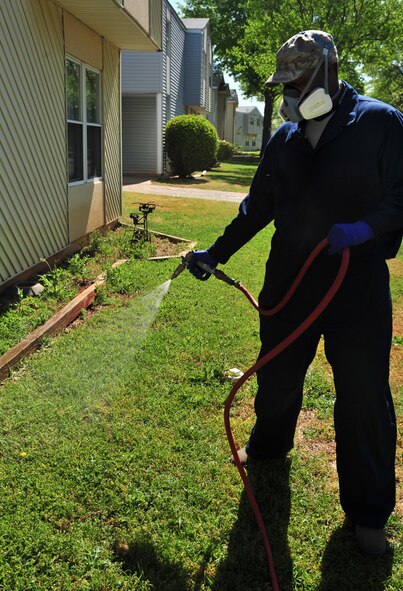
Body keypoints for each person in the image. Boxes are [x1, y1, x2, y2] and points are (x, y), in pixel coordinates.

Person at [187, 30, 402, 556]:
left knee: (363, 397)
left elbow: (401, 199)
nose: (286, 95)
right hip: (289, 282)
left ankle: (368, 512)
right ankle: (268, 447)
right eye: (282, 84)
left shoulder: (379, 123)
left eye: (295, 82)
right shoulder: (285, 140)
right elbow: (257, 206)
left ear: (325, 74)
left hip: (356, 288)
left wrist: (368, 229)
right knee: (277, 374)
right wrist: (219, 251)